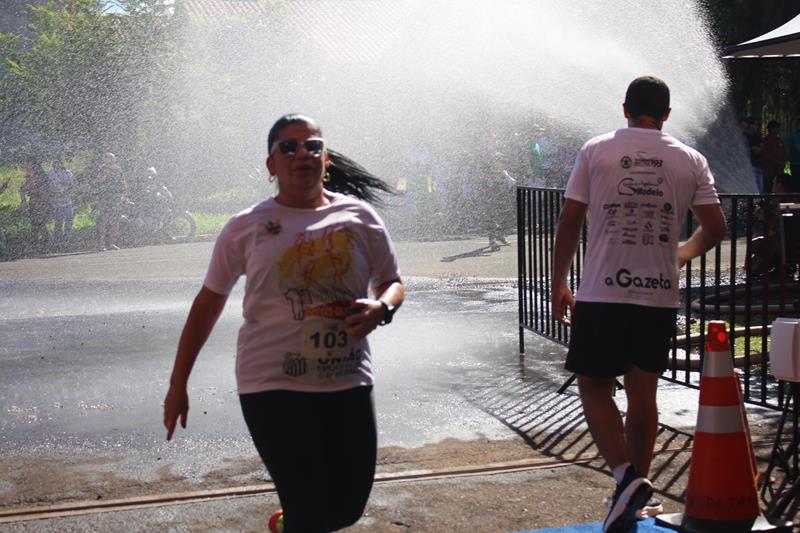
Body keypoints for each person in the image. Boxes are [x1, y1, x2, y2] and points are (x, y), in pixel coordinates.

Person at [163, 113, 404, 533]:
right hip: (271, 383)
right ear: (271, 164)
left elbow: (393, 282)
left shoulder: (360, 218)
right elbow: (207, 304)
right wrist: (178, 382)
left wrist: (381, 308)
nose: (301, 155)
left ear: (326, 158)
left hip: (346, 378)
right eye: (288, 148)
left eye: (312, 146)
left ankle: (292, 523)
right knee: (309, 505)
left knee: (348, 507)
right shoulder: (246, 226)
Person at [551, 76, 726, 533]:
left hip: (603, 291)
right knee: (642, 392)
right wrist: (680, 254)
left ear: (625, 107)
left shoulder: (596, 150)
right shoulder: (690, 159)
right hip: (658, 294)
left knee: (593, 387)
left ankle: (627, 478)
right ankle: (630, 493)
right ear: (666, 115)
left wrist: (558, 283)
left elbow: (570, 219)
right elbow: (715, 228)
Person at [93, 152, 126, 250]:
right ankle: (101, 244)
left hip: (115, 197)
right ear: (105, 159)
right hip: (105, 197)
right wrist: (105, 175)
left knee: (115, 221)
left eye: (112, 158)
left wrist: (124, 195)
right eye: (108, 158)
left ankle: (112, 243)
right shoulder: (102, 169)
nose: (111, 160)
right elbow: (97, 181)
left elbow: (123, 182)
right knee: (104, 221)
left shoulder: (118, 169)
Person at [20, 160, 52, 250]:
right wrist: (24, 201)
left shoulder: (40, 176)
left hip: (40, 201)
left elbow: (44, 190)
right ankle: (39, 242)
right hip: (35, 201)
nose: (27, 167)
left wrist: (43, 202)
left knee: (39, 222)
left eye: (29, 165)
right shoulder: (29, 176)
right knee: (36, 222)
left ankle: (42, 242)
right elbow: (23, 189)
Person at [47, 159, 77, 248]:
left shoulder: (68, 173)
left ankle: (67, 238)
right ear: (52, 164)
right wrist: (54, 194)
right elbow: (47, 187)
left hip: (67, 201)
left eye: (59, 163)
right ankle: (57, 240)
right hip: (56, 202)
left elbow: (72, 185)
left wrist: (66, 191)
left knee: (69, 220)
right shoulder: (49, 174)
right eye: (55, 162)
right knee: (58, 221)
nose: (57, 165)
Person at [762, 120, 787, 195]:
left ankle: (775, 204)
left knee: (778, 189)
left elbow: (783, 153)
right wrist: (778, 162)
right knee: (768, 188)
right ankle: (766, 204)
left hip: (779, 170)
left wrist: (783, 164)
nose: (778, 129)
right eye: (777, 127)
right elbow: (766, 155)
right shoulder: (766, 140)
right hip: (769, 170)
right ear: (771, 129)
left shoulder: (779, 140)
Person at [740, 117, 764, 192]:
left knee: (760, 189)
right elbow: (756, 150)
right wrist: (759, 148)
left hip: (758, 165)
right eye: (755, 124)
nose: (757, 126)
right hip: (751, 166)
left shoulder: (756, 136)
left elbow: (763, 147)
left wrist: (760, 148)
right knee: (754, 190)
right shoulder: (745, 136)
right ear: (751, 125)